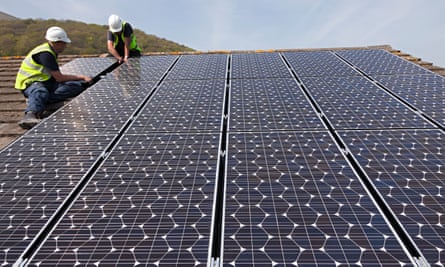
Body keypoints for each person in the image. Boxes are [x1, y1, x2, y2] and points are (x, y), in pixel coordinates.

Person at [15, 26, 92, 130]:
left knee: (76, 86)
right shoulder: (45, 54)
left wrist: (81, 81)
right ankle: (31, 115)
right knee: (40, 91)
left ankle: (40, 100)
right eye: (64, 43)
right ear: (57, 42)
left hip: (46, 82)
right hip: (30, 84)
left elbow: (56, 78)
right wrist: (81, 76)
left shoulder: (51, 51)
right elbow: (59, 77)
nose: (65, 46)